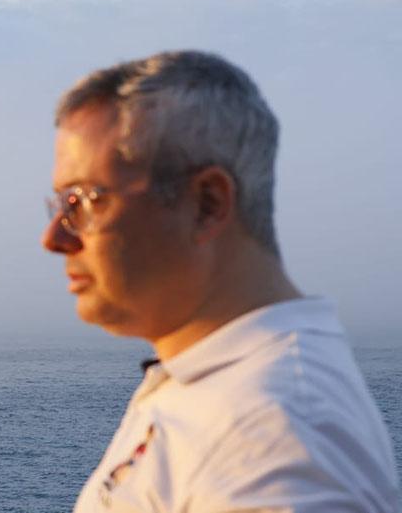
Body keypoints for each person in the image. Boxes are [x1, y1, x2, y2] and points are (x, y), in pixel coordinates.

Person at [41, 50, 400, 512]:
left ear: (207, 204)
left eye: (84, 201)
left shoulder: (274, 441)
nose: (54, 238)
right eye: (59, 205)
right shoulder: (214, 382)